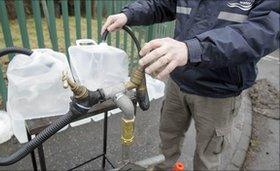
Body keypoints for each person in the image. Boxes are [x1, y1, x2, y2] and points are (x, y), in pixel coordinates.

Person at [101, 0, 279, 170]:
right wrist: (129, 15)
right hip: (179, 82)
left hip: (218, 91)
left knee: (207, 156)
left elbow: (262, 32)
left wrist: (192, 49)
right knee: (168, 139)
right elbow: (162, 5)